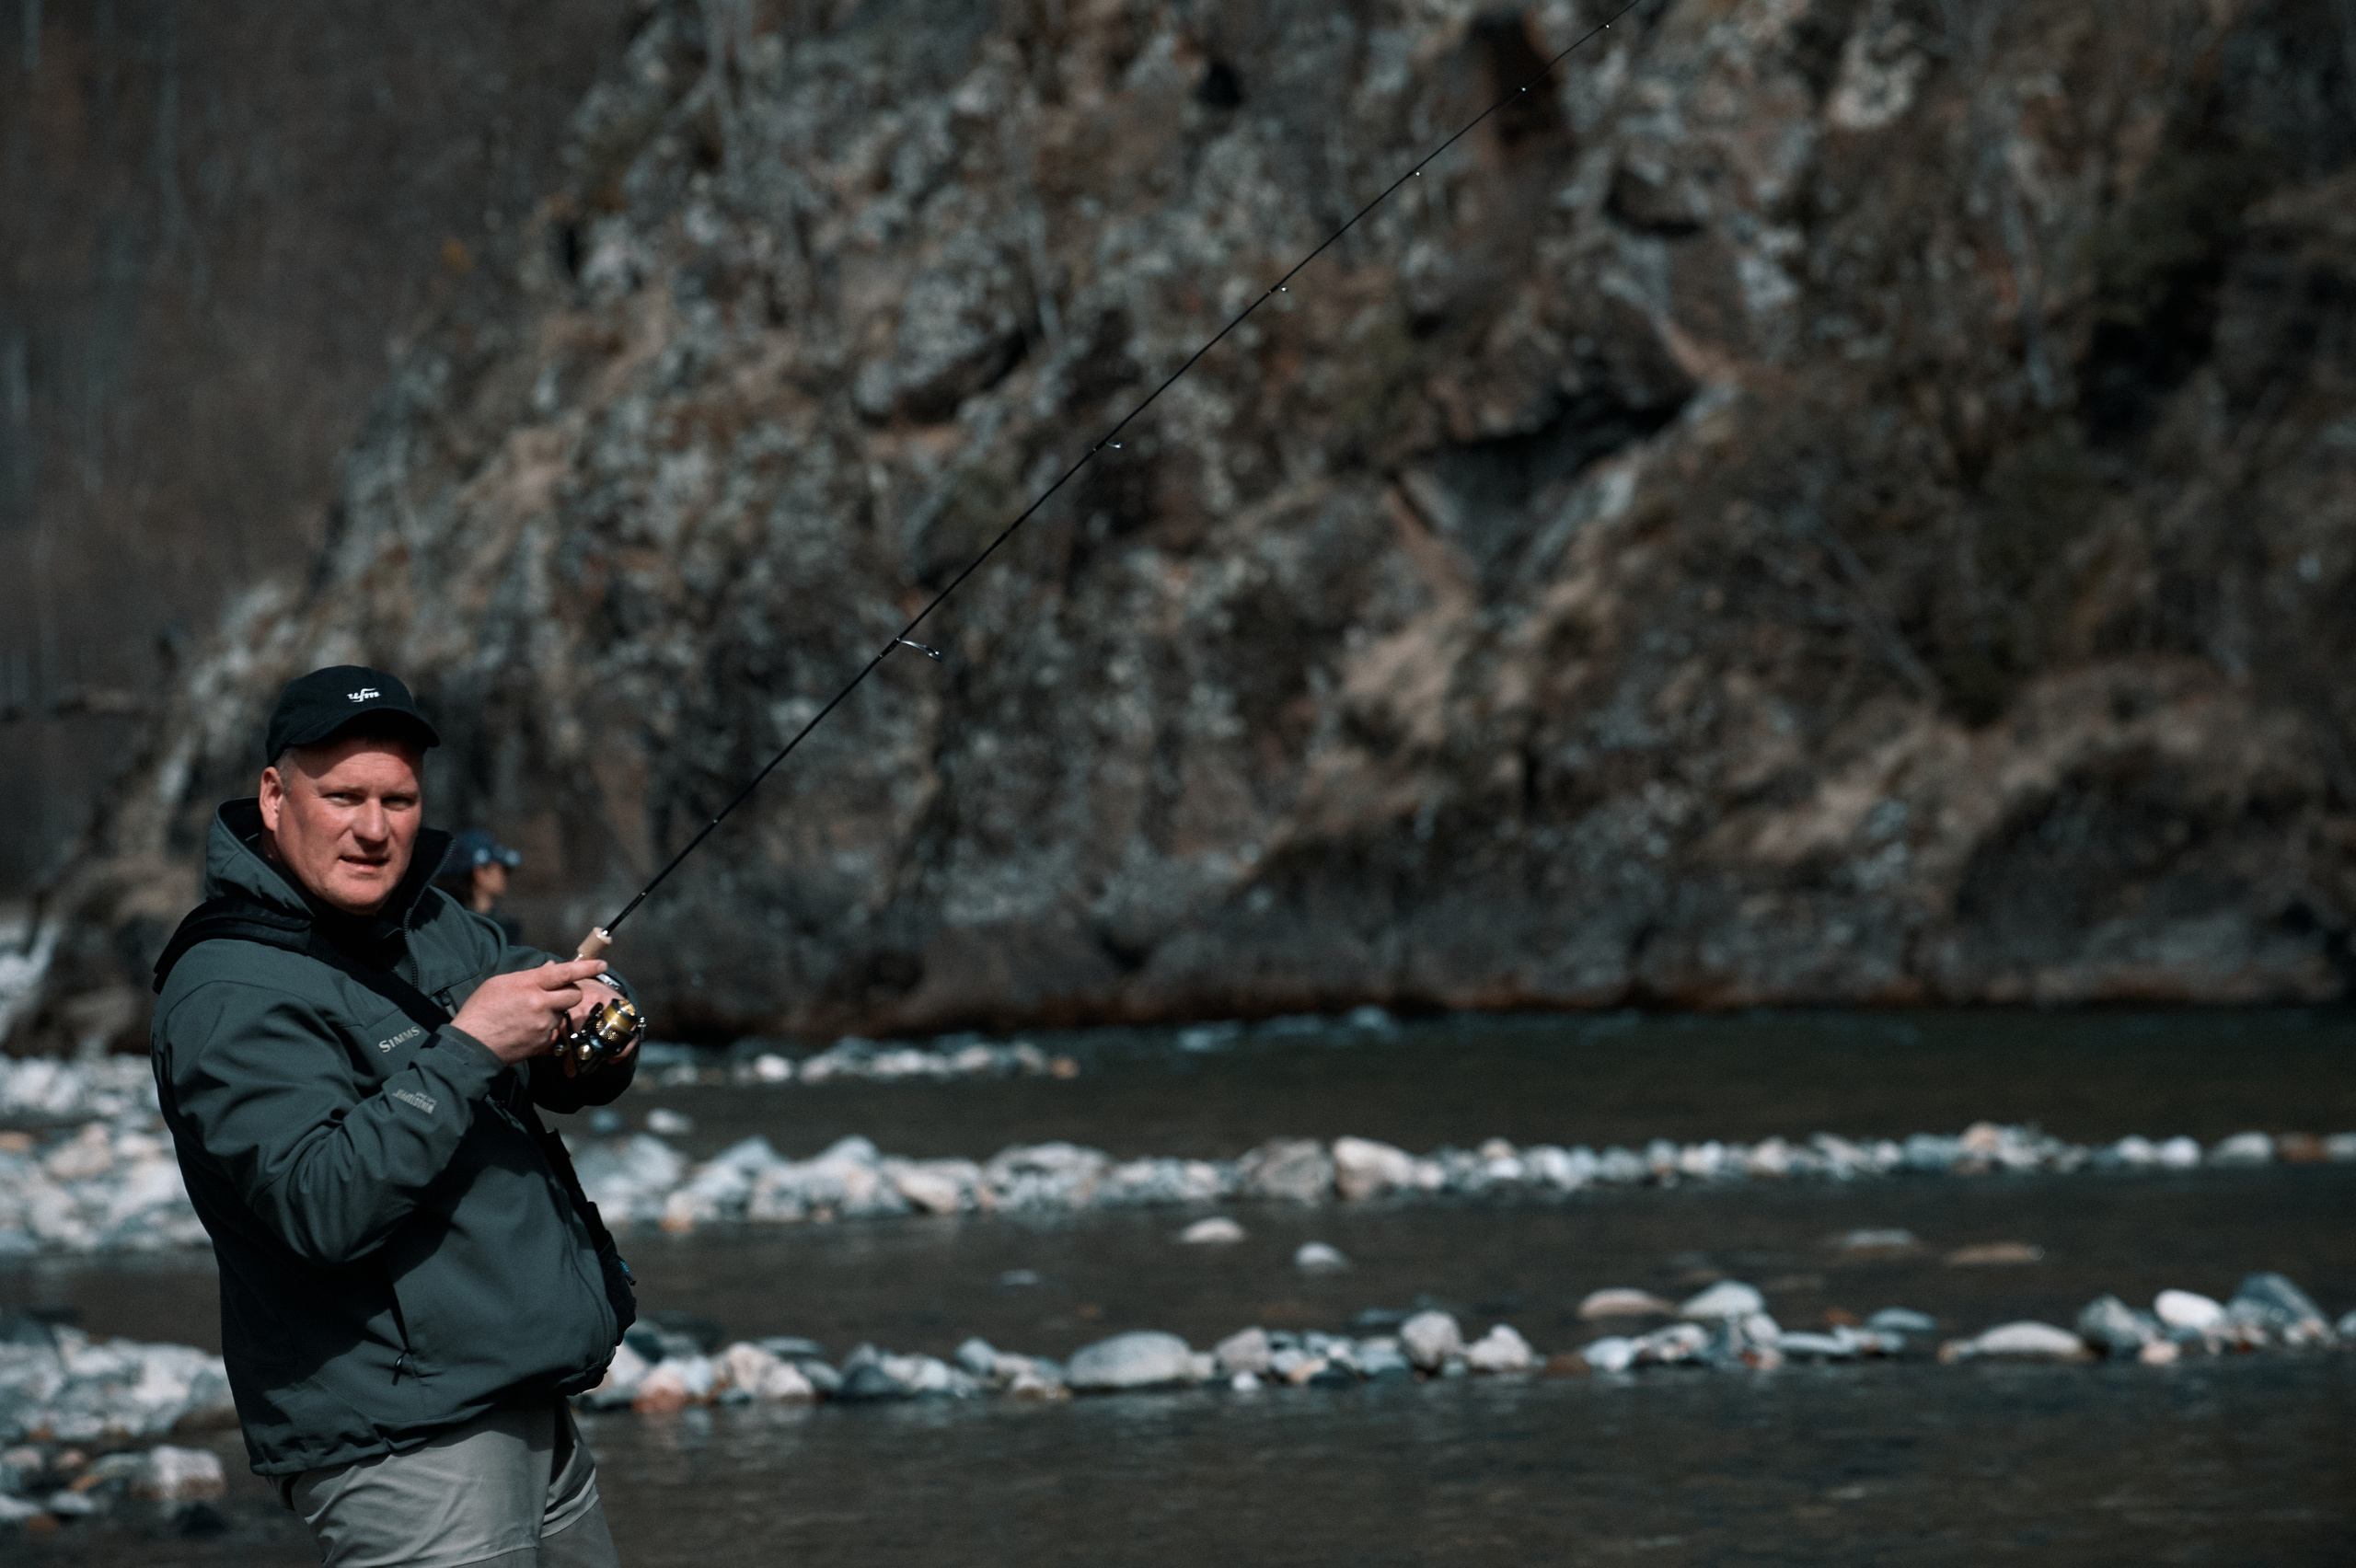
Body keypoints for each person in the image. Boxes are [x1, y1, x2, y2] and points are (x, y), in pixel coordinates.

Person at [149, 665, 639, 1568]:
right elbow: (319, 1205)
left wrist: (601, 1025)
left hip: (527, 1403)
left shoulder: (433, 922)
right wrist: (468, 1049)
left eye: (398, 799)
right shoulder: (224, 992)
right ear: (273, 795)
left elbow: (559, 1056)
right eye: (342, 797)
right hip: (402, 1442)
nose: (375, 830)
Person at [441, 827, 526, 944]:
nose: (504, 876)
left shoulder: (507, 928)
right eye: (503, 869)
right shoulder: (450, 930)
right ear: (480, 873)